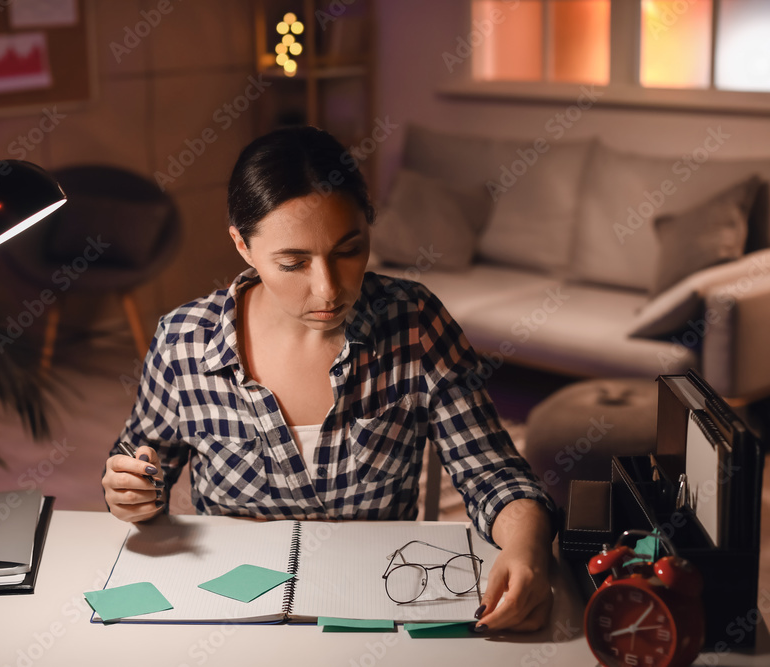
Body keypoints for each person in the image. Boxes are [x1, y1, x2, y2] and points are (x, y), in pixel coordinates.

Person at [102, 126, 557, 633]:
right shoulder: (183, 341)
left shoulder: (415, 323)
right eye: (293, 262)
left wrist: (527, 548)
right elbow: (140, 471)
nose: (329, 289)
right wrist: (129, 491)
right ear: (242, 244)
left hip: (376, 606)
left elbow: (491, 473)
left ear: (369, 224)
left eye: (348, 250)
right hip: (232, 619)